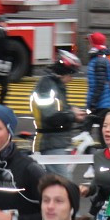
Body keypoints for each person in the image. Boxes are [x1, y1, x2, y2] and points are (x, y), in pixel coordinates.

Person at [29, 50, 88, 180]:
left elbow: (59, 108)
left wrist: (72, 111)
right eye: (71, 74)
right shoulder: (47, 86)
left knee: (56, 183)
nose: (72, 79)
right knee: (64, 183)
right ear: (64, 71)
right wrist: (73, 115)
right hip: (50, 142)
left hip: (57, 141)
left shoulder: (55, 85)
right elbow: (50, 116)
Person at [85, 32, 110, 136]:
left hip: (101, 105)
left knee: (103, 136)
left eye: (89, 42)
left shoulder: (99, 61)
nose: (87, 45)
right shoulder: (99, 60)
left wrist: (92, 104)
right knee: (89, 131)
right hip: (101, 104)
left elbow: (99, 84)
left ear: (93, 44)